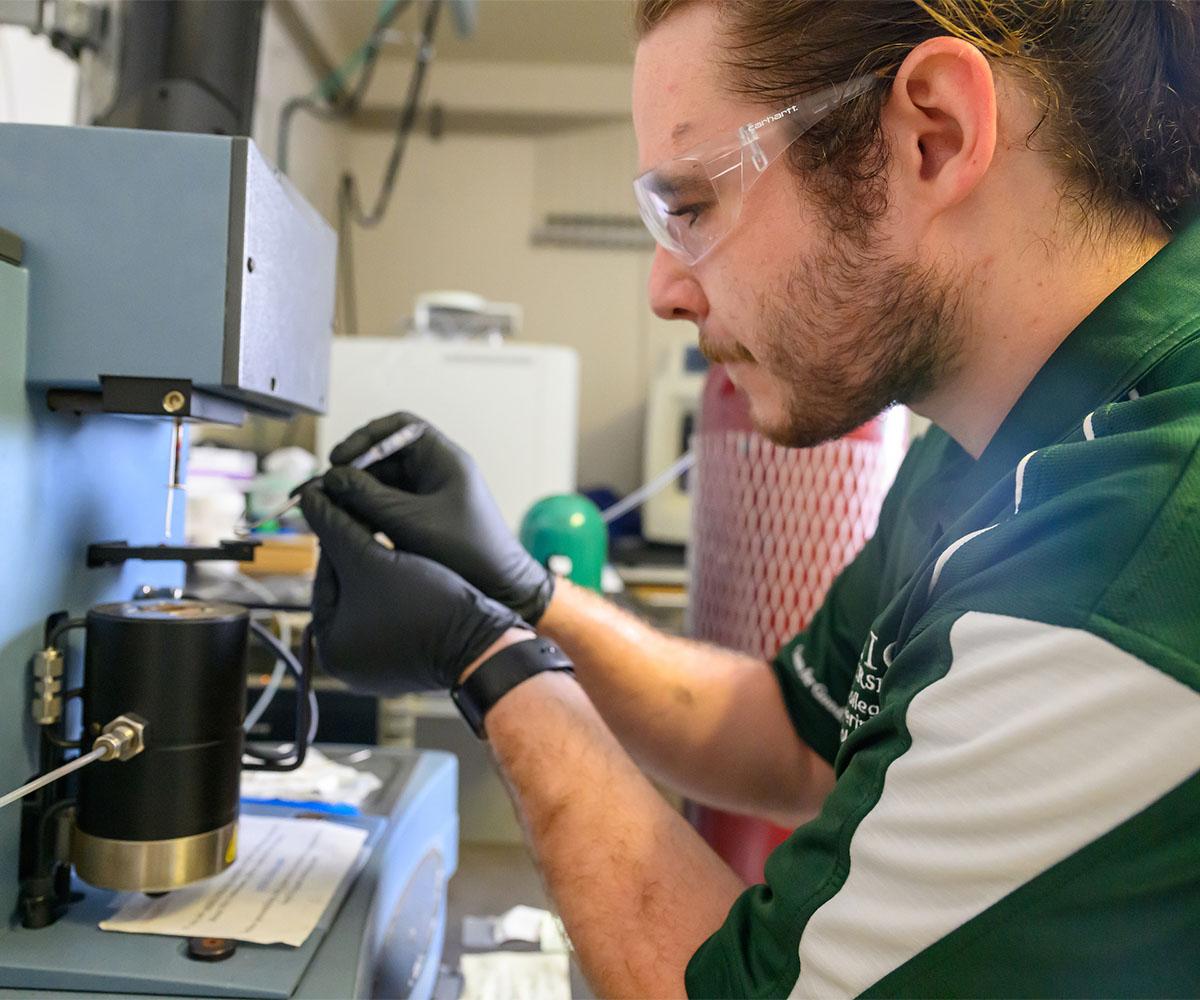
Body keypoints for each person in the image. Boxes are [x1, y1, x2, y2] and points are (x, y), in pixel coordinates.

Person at [299, 1, 1200, 995]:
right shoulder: (990, 435)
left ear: (931, 137)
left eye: (692, 205)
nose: (665, 290)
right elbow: (790, 734)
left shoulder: (1135, 546)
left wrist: (491, 664)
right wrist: (524, 595)